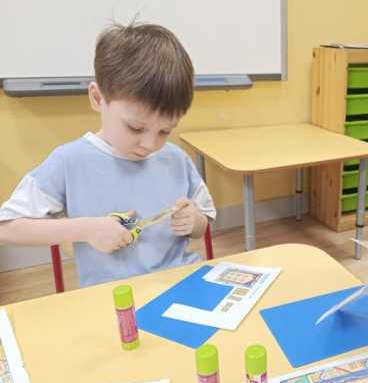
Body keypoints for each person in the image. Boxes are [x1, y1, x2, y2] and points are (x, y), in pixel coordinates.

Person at [0, 22, 216, 287]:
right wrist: (86, 229)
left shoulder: (177, 159)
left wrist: (194, 221)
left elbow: (202, 223)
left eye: (165, 131)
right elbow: (6, 227)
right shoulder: (70, 161)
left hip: (179, 283)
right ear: (97, 98)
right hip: (114, 295)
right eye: (135, 127)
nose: (150, 144)